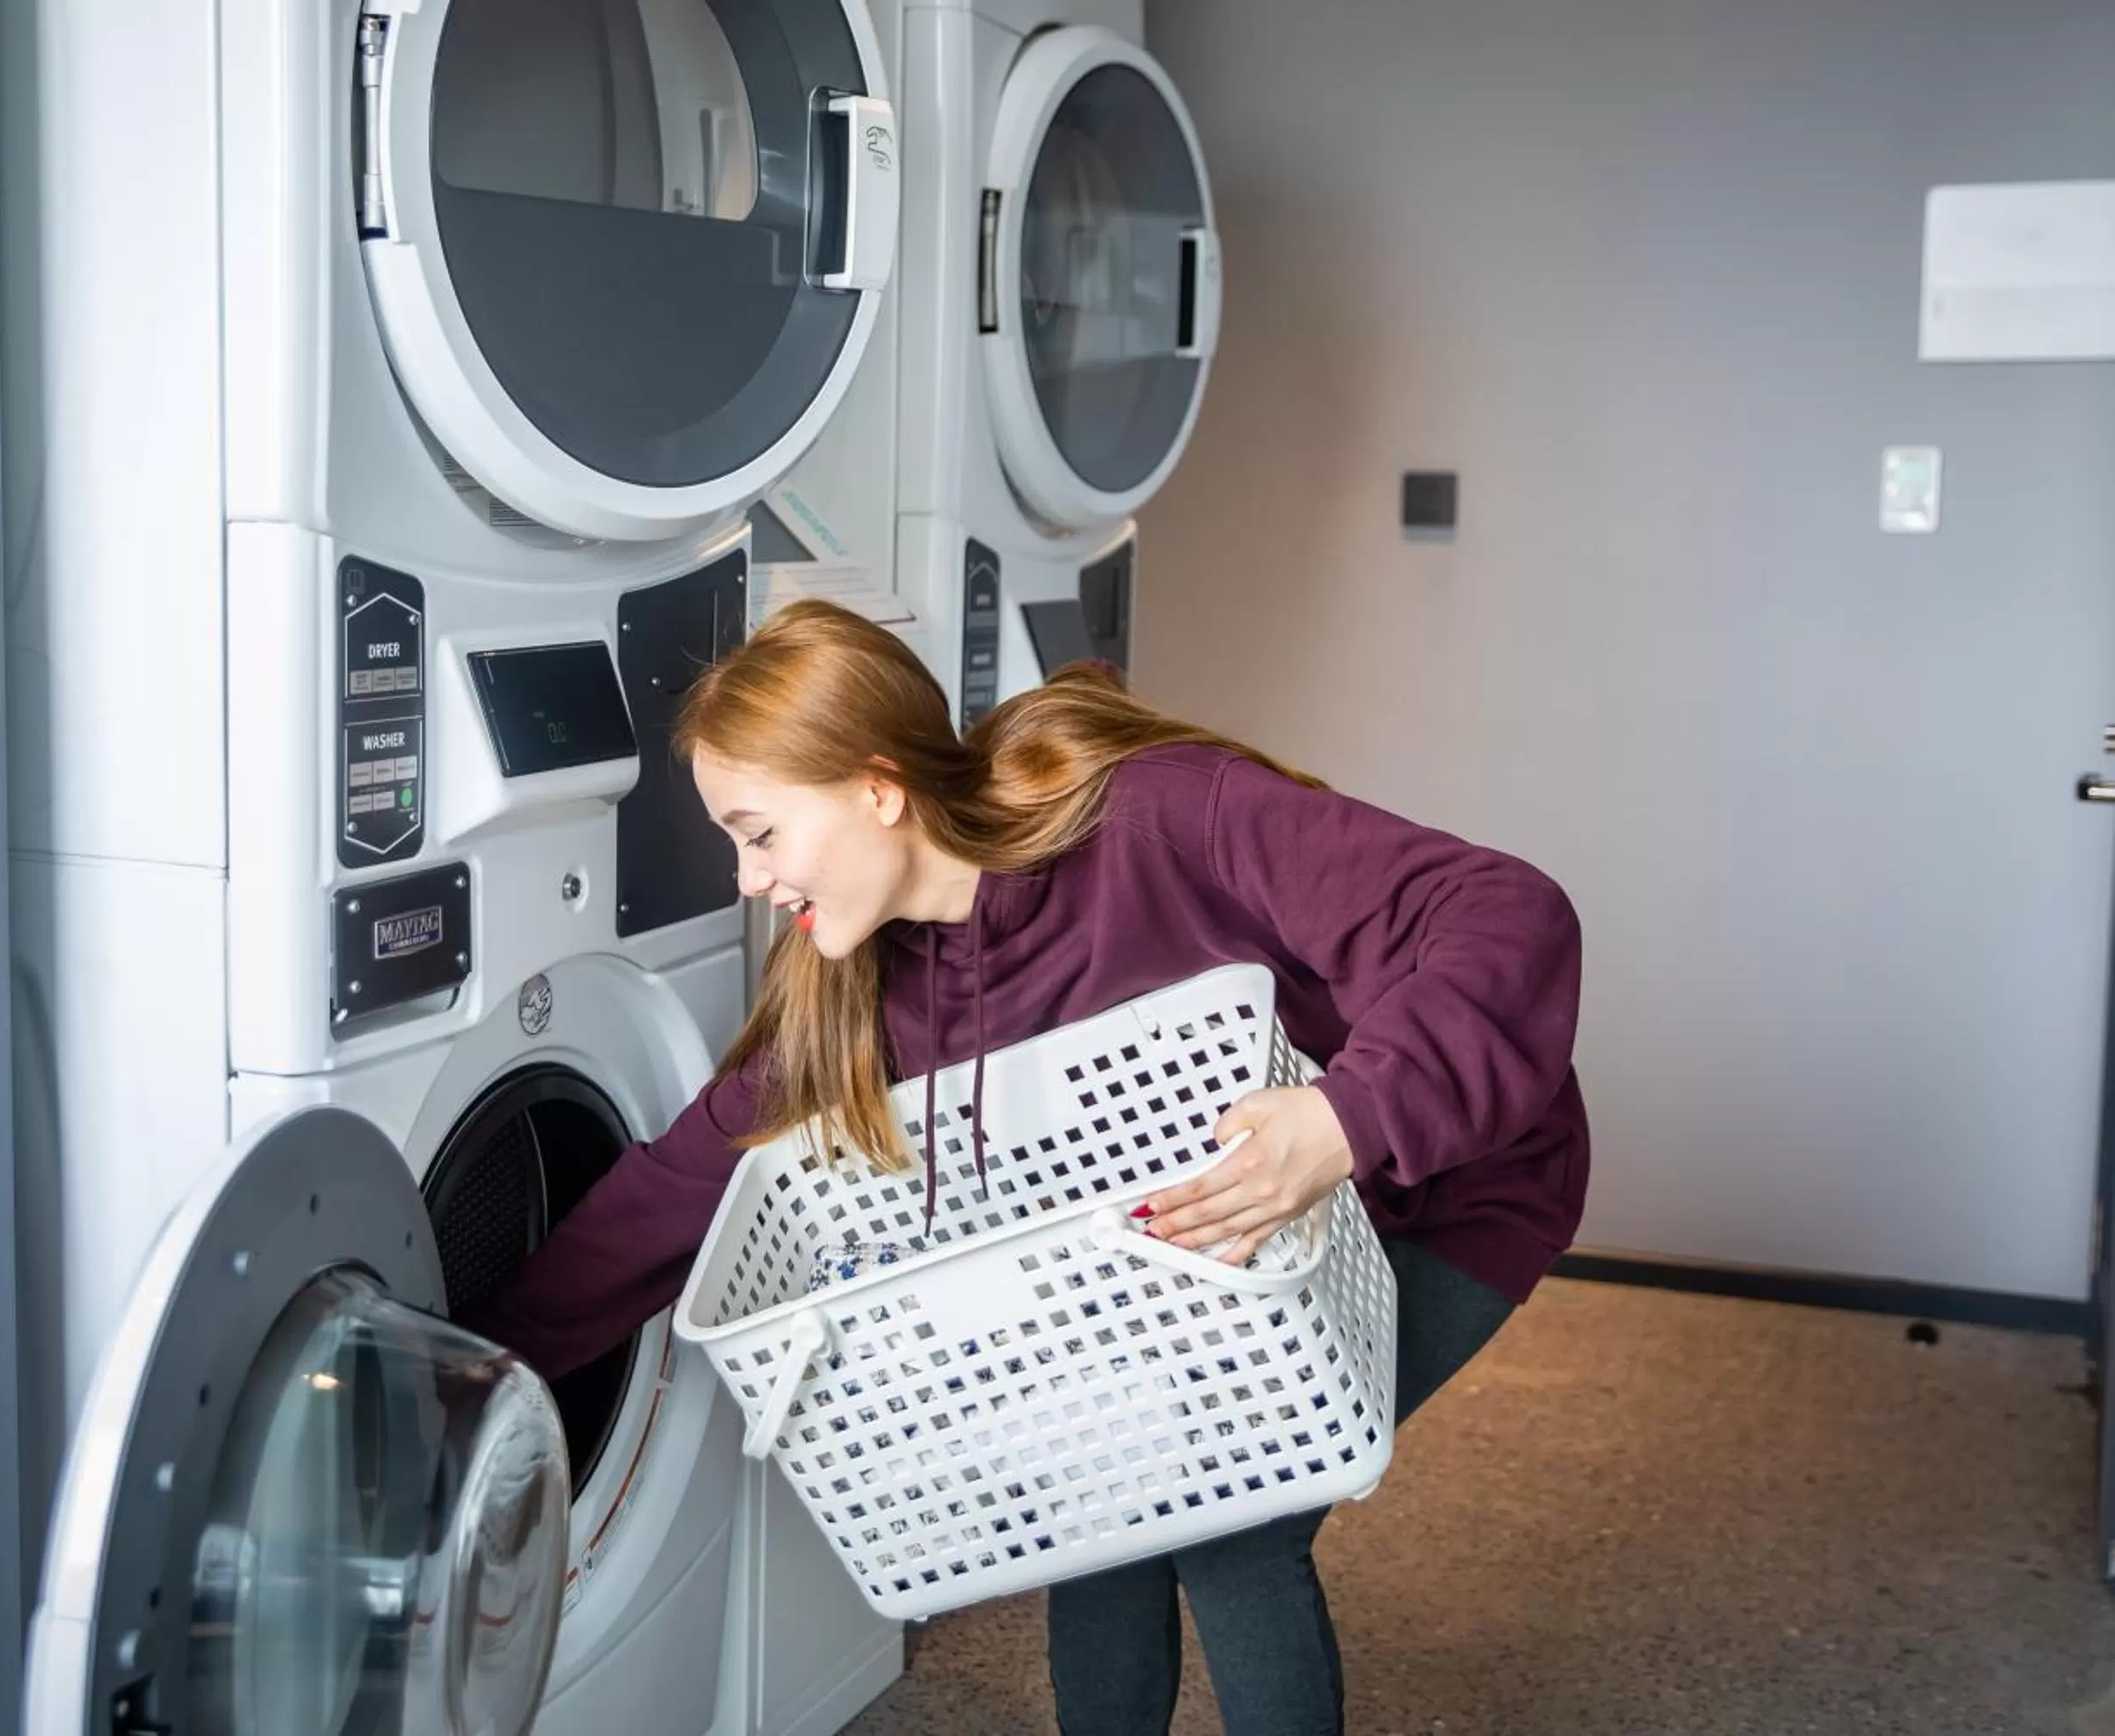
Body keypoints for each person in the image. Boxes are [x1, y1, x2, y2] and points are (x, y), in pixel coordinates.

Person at [459, 599, 1587, 1735]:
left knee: (1237, 1513)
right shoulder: (868, 991)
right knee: (1101, 1495)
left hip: (1442, 1182)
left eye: (761, 832)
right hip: (1208, 1238)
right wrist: (476, 1373)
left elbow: (1504, 913)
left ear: (877, 787)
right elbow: (675, 1191)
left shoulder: (1156, 818)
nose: (751, 879)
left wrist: (1349, 1118)